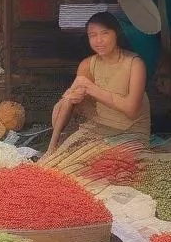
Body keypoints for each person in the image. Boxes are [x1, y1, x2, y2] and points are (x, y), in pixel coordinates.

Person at [48, 11, 151, 152]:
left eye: (105, 33)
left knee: (107, 168)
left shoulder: (135, 64)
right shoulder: (87, 64)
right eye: (93, 35)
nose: (98, 40)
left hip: (131, 132)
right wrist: (52, 145)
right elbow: (69, 101)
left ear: (116, 34)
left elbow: (131, 110)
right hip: (99, 128)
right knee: (64, 158)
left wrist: (91, 89)